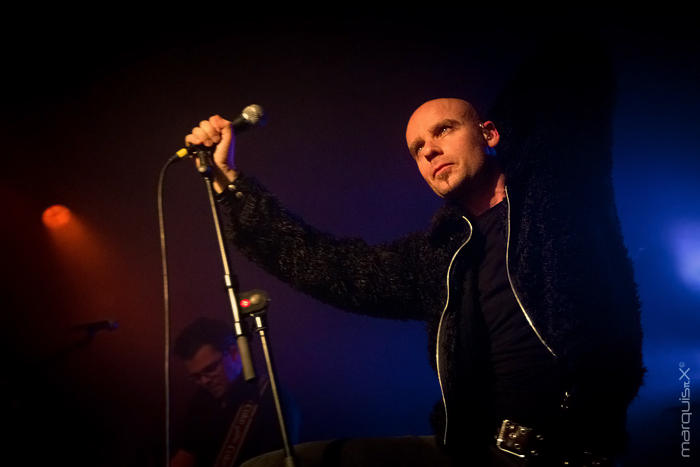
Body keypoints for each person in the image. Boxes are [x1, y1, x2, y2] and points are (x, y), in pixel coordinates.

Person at [184, 39, 645, 466]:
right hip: (466, 452)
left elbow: (576, 75)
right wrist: (232, 187)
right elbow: (334, 268)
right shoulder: (439, 253)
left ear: (489, 133)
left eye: (444, 130)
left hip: (565, 453)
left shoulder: (558, 195)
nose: (429, 151)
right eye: (417, 148)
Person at [171, 317, 298, 467]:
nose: (204, 381)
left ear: (234, 352)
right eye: (196, 377)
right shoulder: (200, 401)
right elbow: (186, 454)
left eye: (210, 369)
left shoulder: (272, 398)